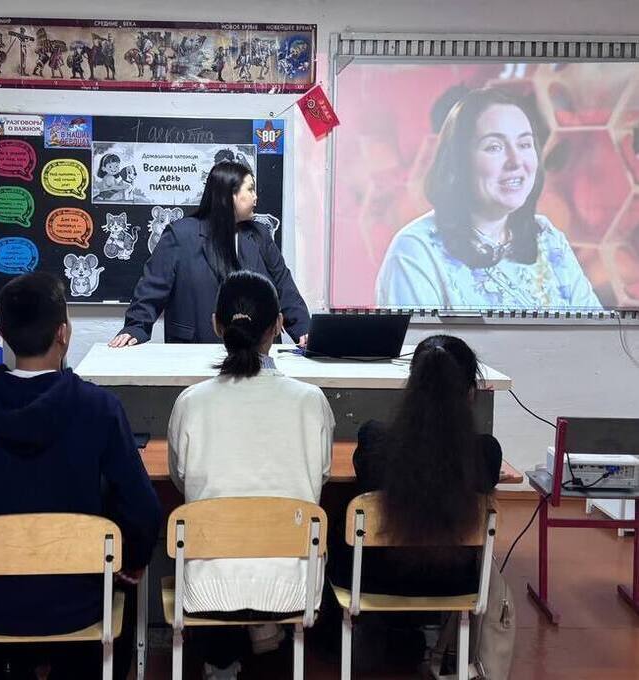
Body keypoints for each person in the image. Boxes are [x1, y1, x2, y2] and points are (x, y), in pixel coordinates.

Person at [0, 271, 160, 679]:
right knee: (120, 600)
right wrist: (133, 559)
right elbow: (143, 508)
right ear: (63, 333)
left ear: (2, 334)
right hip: (80, 603)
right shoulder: (100, 409)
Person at [167, 271, 334, 680]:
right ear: (278, 325)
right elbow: (321, 476)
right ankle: (267, 640)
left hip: (207, 590)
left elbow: (181, 479)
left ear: (216, 324)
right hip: (293, 589)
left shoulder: (191, 403)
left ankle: (223, 658)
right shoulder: (310, 402)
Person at [330, 335, 513, 677]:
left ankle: (359, 633)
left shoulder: (374, 439)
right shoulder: (486, 453)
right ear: (470, 393)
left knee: (338, 525)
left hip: (372, 580)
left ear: (411, 387)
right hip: (456, 584)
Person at [376, 87, 602, 310]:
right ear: (458, 161)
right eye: (494, 147)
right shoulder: (416, 252)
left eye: (524, 144)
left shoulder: (547, 238)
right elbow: (415, 336)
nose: (516, 161)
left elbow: (594, 329)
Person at [110, 161, 310, 346]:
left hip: (255, 350)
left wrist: (304, 330)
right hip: (196, 350)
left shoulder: (260, 235)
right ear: (229, 194)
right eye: (250, 189)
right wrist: (135, 327)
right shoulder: (180, 235)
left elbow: (283, 285)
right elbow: (152, 289)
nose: (255, 197)